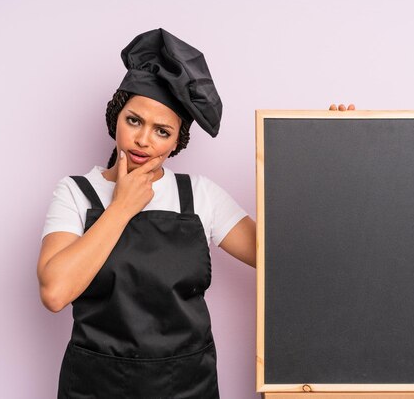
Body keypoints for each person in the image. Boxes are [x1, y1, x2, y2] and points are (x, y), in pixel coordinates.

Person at [37, 27, 354, 398]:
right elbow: (55, 292)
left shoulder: (200, 196)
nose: (143, 140)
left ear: (177, 142)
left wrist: (334, 153)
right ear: (115, 118)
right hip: (96, 386)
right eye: (134, 120)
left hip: (187, 386)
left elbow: (286, 258)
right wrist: (121, 207)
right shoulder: (76, 193)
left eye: (162, 131)